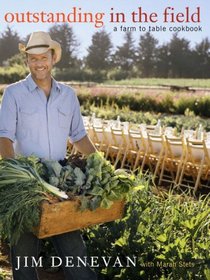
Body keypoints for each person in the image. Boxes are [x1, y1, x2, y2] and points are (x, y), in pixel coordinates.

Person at [0, 31, 97, 280]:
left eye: (43, 57)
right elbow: (4, 138)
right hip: (26, 185)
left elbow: (79, 137)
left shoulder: (68, 96)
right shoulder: (14, 94)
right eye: (33, 58)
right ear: (27, 61)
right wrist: (19, 178)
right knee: (23, 256)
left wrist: (101, 165)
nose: (38, 63)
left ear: (53, 58)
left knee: (74, 249)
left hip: (59, 184)